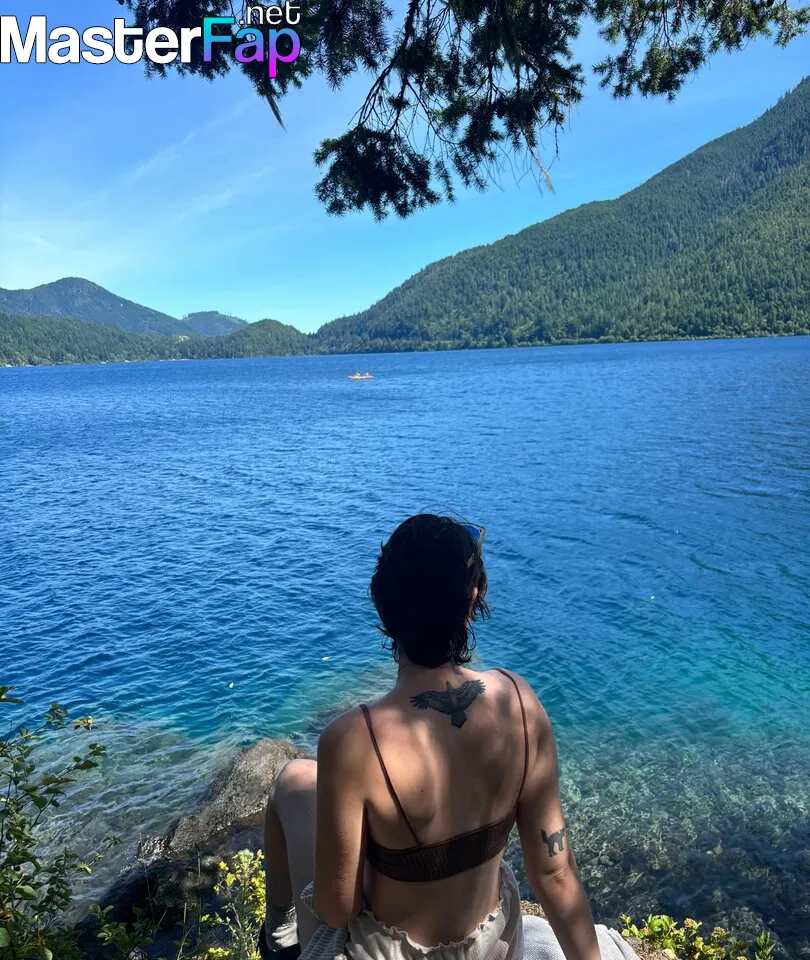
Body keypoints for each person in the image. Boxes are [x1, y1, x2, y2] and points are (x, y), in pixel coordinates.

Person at [260, 513, 602, 960]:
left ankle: (277, 936)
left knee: (292, 780)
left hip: (389, 952)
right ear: (471, 602)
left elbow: (338, 909)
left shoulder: (351, 739)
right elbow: (555, 873)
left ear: (382, 606)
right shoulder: (520, 702)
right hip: (492, 948)